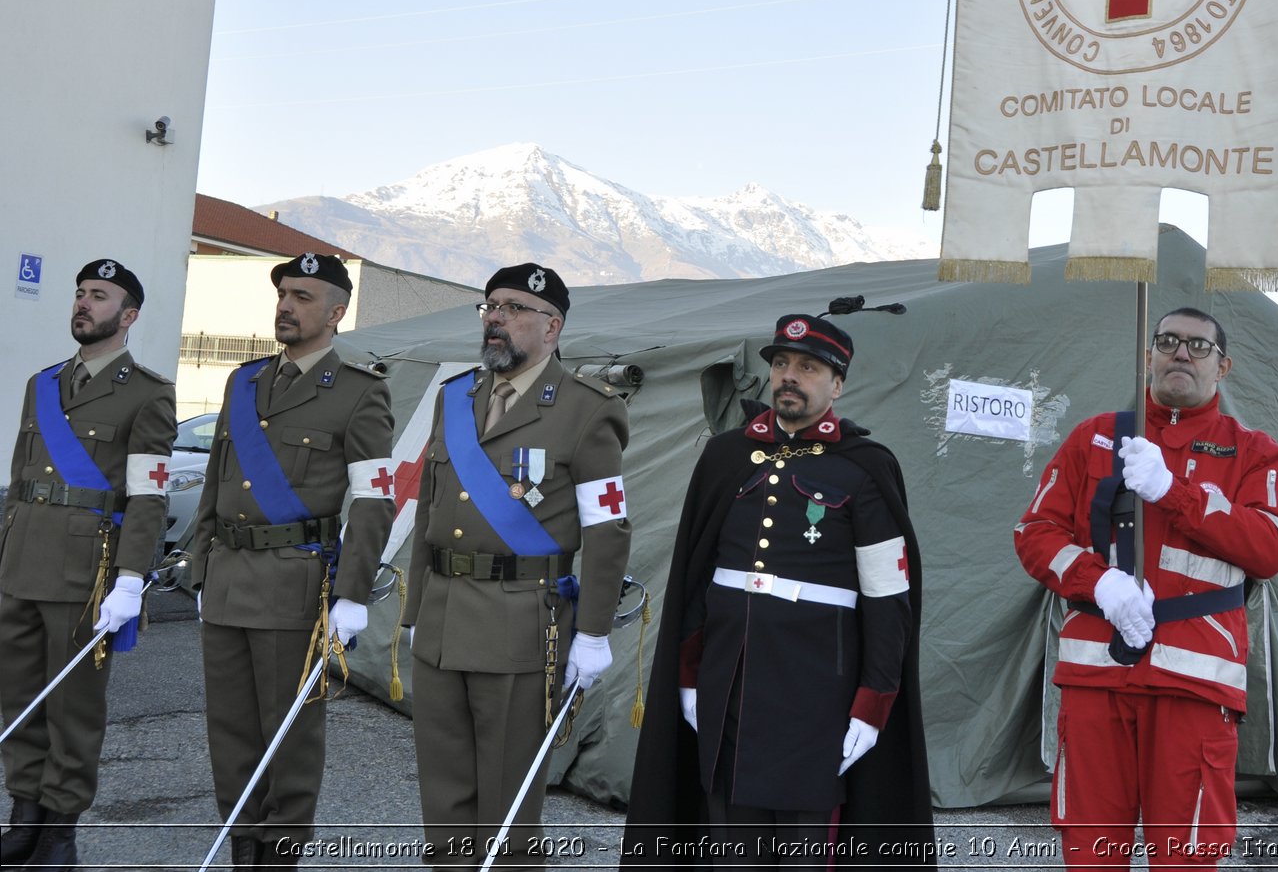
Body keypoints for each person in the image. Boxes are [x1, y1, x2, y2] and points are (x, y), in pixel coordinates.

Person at [622, 313, 934, 870]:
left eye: (808, 368)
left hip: (816, 697)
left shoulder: (864, 469)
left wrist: (873, 704)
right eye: (782, 364)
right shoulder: (725, 455)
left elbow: (890, 602)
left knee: (801, 852)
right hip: (729, 685)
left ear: (837, 385)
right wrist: (689, 674)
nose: (790, 376)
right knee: (731, 848)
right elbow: (697, 578)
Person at [1014, 307, 1278, 869]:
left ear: (1224, 366)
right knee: (1091, 855)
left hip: (1195, 685)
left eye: (1199, 346)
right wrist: (1101, 586)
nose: (1181, 353)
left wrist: (1176, 492)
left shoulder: (1258, 455)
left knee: (1187, 857)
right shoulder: (1094, 439)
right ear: (1148, 358)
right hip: (1097, 675)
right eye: (1167, 341)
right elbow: (1035, 533)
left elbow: (1271, 548)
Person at [402, 262, 631, 870]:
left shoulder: (586, 410)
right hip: (445, 618)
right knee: (444, 796)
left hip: (520, 624)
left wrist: (594, 633)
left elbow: (608, 528)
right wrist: (414, 611)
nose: (496, 318)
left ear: (551, 326)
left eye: (513, 308)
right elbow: (429, 509)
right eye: (490, 307)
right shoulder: (456, 399)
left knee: (506, 804)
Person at [190, 252, 394, 869]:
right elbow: (215, 481)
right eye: (283, 293)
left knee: (289, 736)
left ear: (336, 312)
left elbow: (374, 502)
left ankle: (279, 854)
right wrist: (200, 567)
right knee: (229, 735)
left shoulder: (360, 394)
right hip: (227, 578)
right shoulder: (243, 382)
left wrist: (352, 594)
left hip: (295, 584)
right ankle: (242, 847)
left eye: (303, 296)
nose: (286, 304)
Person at [0, 260, 177, 869]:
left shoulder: (148, 393)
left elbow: (148, 493)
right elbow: (22, 480)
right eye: (80, 294)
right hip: (20, 562)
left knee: (73, 707)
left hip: (85, 572)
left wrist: (132, 578)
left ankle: (59, 833)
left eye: (98, 296)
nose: (83, 303)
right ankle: (23, 816)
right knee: (18, 697)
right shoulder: (41, 383)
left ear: (127, 316)